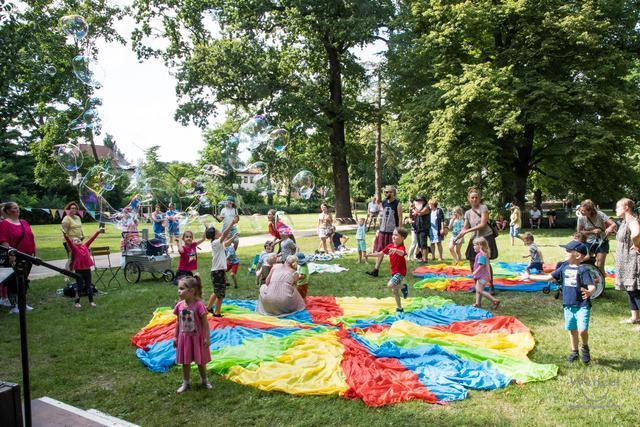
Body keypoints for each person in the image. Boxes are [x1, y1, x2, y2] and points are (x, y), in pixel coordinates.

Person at [522, 241, 596, 363]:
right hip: (568, 304)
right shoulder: (564, 267)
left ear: (577, 255)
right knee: (572, 329)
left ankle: (585, 347)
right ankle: (574, 351)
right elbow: (547, 277)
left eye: (568, 251)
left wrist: (589, 292)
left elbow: (592, 286)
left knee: (582, 330)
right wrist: (530, 277)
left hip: (582, 305)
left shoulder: (583, 270)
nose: (565, 253)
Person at [454, 187, 498, 293]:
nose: (474, 199)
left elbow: (483, 224)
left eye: (476, 197)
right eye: (472, 197)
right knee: (472, 260)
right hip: (475, 238)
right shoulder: (468, 213)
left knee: (485, 261)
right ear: (469, 199)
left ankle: (491, 286)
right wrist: (456, 238)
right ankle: (476, 285)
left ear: (479, 198)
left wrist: (467, 230)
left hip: (486, 237)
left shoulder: (483, 208)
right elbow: (464, 228)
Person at [173, 276, 212, 393]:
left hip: (197, 338)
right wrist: (175, 336)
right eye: (178, 288)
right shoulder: (179, 305)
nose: (179, 291)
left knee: (200, 361)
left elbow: (205, 323)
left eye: (182, 288)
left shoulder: (199, 305)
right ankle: (186, 383)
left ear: (191, 291)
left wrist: (207, 337)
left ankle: (204, 380)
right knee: (185, 361)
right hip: (184, 338)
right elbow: (178, 322)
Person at [0, 202, 37, 314]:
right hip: (15, 257)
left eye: (17, 207)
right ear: (7, 211)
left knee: (24, 280)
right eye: (14, 208)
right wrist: (11, 254)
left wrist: (35, 251)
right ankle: (15, 305)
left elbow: (31, 237)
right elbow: (4, 240)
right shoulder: (4, 224)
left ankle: (23, 303)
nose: (17, 209)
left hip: (28, 256)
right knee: (14, 281)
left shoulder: (24, 222)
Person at [367, 227, 409, 313]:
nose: (393, 236)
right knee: (394, 291)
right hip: (394, 272)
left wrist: (396, 250)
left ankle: (404, 287)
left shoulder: (401, 247)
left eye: (396, 235)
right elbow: (380, 254)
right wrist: (369, 255)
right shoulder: (389, 246)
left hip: (400, 272)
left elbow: (402, 253)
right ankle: (400, 308)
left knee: (390, 285)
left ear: (402, 238)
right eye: (393, 234)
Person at [614, 198, 640, 330]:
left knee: (635, 289)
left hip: (632, 260)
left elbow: (637, 233)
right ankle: (635, 317)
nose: (616, 210)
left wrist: (636, 245)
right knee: (630, 289)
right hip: (624, 261)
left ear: (626, 207)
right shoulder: (624, 222)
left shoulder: (632, 221)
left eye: (618, 207)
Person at [205, 217, 238, 317]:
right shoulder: (216, 242)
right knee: (220, 293)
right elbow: (224, 235)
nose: (220, 232)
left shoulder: (217, 243)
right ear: (215, 235)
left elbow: (226, 244)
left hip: (217, 271)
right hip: (218, 272)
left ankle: (209, 308)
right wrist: (232, 223)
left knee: (216, 291)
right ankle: (217, 313)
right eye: (218, 231)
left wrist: (233, 237)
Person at [63, 227, 103, 308]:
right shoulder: (74, 249)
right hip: (79, 271)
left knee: (88, 286)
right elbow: (69, 242)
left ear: (81, 241)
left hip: (87, 270)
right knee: (80, 287)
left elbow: (91, 239)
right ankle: (77, 302)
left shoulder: (85, 246)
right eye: (74, 240)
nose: (77, 240)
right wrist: (65, 235)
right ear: (73, 243)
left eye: (78, 239)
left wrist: (98, 232)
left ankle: (91, 301)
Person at [367, 185, 402, 277]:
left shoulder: (397, 203)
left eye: (388, 192)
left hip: (393, 231)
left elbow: (400, 218)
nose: (386, 193)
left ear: (393, 193)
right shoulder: (383, 203)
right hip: (383, 230)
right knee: (381, 250)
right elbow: (381, 217)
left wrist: (399, 231)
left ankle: (396, 271)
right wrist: (379, 229)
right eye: (385, 192)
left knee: (394, 251)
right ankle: (376, 270)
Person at [577, 199, 616, 272]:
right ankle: (589, 280)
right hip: (588, 242)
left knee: (600, 264)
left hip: (602, 242)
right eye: (580, 210)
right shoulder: (581, 217)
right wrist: (592, 232)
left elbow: (613, 224)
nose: (581, 212)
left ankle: (601, 282)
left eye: (583, 211)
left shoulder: (600, 214)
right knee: (586, 262)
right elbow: (579, 231)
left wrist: (610, 228)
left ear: (590, 210)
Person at [471, 237, 500, 310]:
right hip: (484, 275)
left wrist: (475, 272)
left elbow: (482, 265)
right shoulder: (484, 254)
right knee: (478, 290)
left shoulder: (481, 255)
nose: (473, 247)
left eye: (475, 245)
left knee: (480, 290)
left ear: (480, 246)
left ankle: (494, 300)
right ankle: (478, 303)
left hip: (482, 276)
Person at [60, 201, 85, 282]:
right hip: (69, 242)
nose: (74, 209)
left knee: (76, 258)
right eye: (72, 208)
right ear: (68, 209)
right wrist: (69, 242)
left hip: (78, 241)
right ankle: (66, 276)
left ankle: (73, 273)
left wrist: (82, 235)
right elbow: (65, 232)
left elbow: (79, 228)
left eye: (75, 208)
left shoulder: (77, 217)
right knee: (71, 258)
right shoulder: (66, 219)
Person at [412, 196, 430, 263]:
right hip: (417, 228)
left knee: (423, 244)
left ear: (424, 201)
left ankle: (425, 259)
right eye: (418, 200)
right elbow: (415, 216)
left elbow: (420, 213)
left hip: (424, 228)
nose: (418, 202)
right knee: (420, 245)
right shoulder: (417, 208)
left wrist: (414, 208)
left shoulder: (426, 208)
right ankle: (423, 258)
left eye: (420, 200)